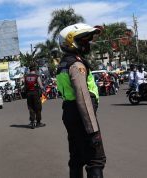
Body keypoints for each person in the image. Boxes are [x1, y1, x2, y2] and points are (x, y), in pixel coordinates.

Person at [56, 23, 106, 178]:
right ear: (72, 42)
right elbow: (83, 97)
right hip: (82, 115)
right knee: (95, 159)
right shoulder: (76, 64)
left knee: (76, 158)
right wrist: (93, 131)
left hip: (70, 113)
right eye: (84, 40)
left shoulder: (64, 63)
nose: (87, 43)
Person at [24, 64, 45, 129]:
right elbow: (41, 86)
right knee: (38, 108)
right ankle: (38, 122)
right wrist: (43, 89)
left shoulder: (26, 76)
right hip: (35, 94)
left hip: (28, 94)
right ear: (35, 70)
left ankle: (32, 122)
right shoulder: (36, 76)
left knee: (31, 108)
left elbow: (25, 85)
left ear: (30, 70)